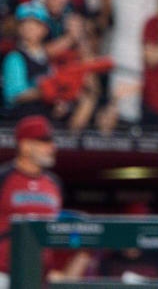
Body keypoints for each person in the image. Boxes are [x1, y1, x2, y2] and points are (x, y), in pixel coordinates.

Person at [0, 115, 84, 288]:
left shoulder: (54, 183)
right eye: (44, 142)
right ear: (25, 145)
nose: (52, 147)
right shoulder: (4, 178)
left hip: (38, 277)